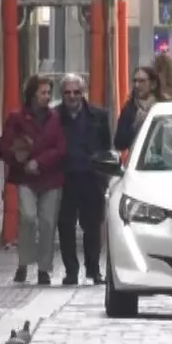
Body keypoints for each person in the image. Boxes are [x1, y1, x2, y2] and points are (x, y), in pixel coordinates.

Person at [0, 73, 66, 286]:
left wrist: (40, 162)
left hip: (51, 178)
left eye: (48, 92)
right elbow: (3, 147)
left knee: (47, 223)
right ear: (33, 94)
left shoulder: (55, 118)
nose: (47, 96)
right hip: (25, 177)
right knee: (27, 218)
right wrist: (21, 162)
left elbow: (61, 148)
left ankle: (44, 269)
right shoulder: (17, 117)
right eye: (43, 92)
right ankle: (24, 263)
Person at [55, 72, 114, 285]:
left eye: (77, 92)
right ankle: (71, 271)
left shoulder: (99, 115)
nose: (72, 96)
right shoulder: (55, 116)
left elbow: (106, 147)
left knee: (92, 227)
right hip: (65, 178)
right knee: (66, 226)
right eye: (68, 92)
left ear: (83, 93)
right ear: (62, 94)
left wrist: (103, 174)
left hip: (91, 178)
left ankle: (93, 270)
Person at [115, 61, 168, 154]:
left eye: (142, 81)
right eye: (135, 81)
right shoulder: (129, 109)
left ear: (153, 84)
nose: (137, 85)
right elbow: (119, 143)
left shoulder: (164, 107)